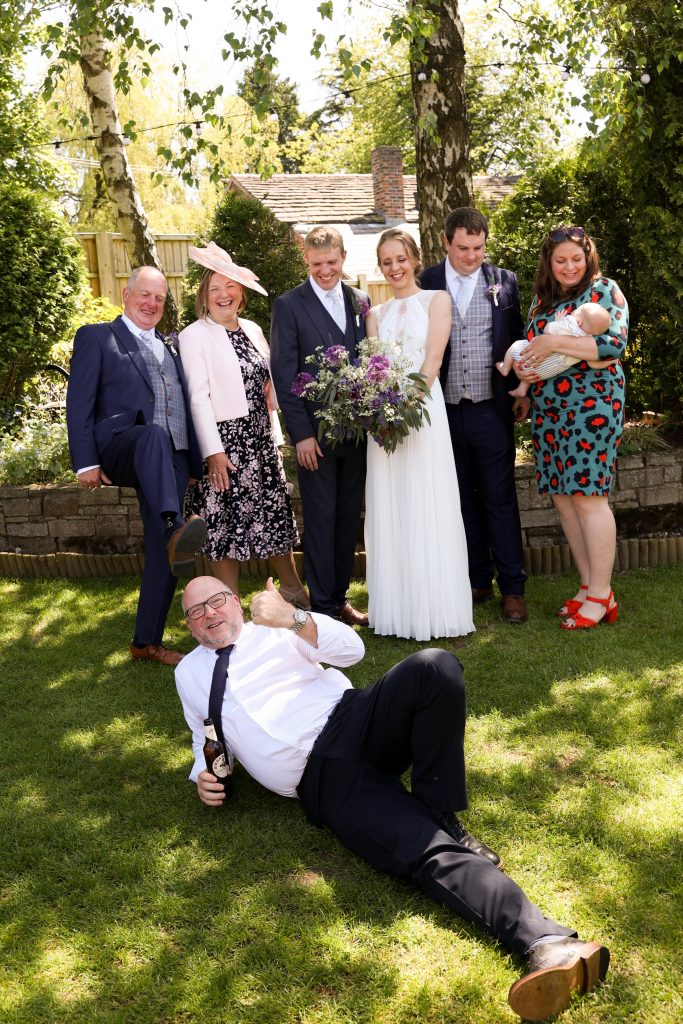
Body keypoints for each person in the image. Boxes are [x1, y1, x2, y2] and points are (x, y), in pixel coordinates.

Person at [175, 573, 610, 1022]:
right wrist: (202, 775)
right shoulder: (189, 673)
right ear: (189, 626)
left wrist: (292, 617)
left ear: (236, 602)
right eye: (196, 611)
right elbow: (203, 734)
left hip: (354, 717)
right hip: (322, 779)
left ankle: (443, 812)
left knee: (434, 666)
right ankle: (549, 943)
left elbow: (351, 650)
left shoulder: (277, 628)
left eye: (218, 601)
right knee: (423, 847)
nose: (210, 614)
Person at [66, 266, 207, 668]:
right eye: (144, 295)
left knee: (164, 547)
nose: (152, 304)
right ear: (126, 295)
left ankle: (146, 642)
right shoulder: (98, 337)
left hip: (172, 455)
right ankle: (174, 524)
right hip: (123, 444)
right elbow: (78, 401)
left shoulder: (171, 347)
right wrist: (86, 461)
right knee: (152, 436)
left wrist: (195, 458)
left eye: (160, 298)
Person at [178, 242, 307, 607]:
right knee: (225, 525)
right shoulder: (193, 336)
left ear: (241, 293)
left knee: (273, 515)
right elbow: (197, 398)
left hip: (261, 440)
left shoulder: (252, 329)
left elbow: (269, 380)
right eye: (214, 289)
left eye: (230, 286)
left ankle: (293, 591)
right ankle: (229, 603)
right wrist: (213, 453)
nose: (224, 294)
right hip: (226, 444)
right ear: (204, 297)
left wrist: (273, 387)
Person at [516, 226, 628, 629]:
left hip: (593, 406)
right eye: (560, 259)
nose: (568, 266)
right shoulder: (541, 300)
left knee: (588, 497)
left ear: (588, 257)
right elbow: (530, 347)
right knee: (563, 498)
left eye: (575, 259)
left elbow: (614, 346)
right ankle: (588, 587)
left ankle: (601, 595)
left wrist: (554, 344)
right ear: (549, 261)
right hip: (550, 408)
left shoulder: (604, 291)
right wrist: (527, 382)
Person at [364, 229, 474, 640]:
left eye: (400, 259)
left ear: (414, 258)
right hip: (385, 421)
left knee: (427, 499)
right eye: (386, 262)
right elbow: (374, 368)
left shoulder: (437, 300)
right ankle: (397, 611)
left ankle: (434, 608)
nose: (395, 268)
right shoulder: (374, 314)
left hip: (422, 411)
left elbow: (433, 357)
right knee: (392, 502)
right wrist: (381, 411)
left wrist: (407, 405)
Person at [420, 208, 528, 624]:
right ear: (446, 242)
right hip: (442, 413)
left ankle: (513, 589)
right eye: (463, 248)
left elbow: (516, 339)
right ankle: (476, 579)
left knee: (500, 500)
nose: (471, 256)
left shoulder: (504, 281)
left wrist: (522, 389)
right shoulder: (427, 282)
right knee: (459, 499)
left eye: (479, 248)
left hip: (490, 409)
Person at [270, 226, 370, 626]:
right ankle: (323, 606)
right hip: (315, 436)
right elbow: (283, 372)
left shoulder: (361, 301)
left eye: (331, 263)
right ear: (306, 262)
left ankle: (340, 597)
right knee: (321, 519)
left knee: (348, 518)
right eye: (316, 265)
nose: (324, 271)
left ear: (343, 258)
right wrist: (303, 435)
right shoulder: (289, 305)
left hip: (357, 434)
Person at [497, 302, 613, 399]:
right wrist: (611, 361)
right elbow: (592, 363)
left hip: (532, 357)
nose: (573, 312)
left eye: (577, 310)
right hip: (546, 372)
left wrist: (559, 320)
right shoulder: (587, 342)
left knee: (515, 346)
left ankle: (505, 368)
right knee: (532, 371)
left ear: (579, 322)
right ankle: (521, 390)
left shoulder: (568, 324)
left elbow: (548, 329)